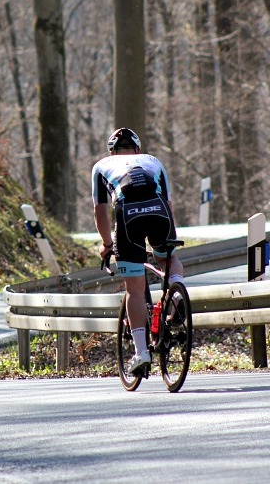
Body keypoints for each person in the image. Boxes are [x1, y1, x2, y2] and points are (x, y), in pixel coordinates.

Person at [91, 127, 184, 374]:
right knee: (168, 259)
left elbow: (100, 212)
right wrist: (168, 241)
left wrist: (107, 244)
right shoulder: (154, 161)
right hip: (159, 211)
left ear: (111, 152)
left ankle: (141, 351)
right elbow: (168, 204)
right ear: (138, 149)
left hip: (128, 216)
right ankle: (177, 292)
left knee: (134, 289)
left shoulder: (101, 166)